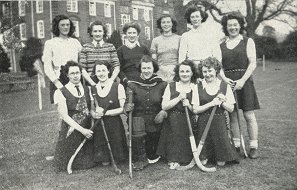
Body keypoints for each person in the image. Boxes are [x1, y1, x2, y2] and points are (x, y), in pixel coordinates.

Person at [219, 13, 260, 159]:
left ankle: (253, 147)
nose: (233, 27)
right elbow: (219, 67)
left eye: (235, 24)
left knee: (249, 115)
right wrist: (225, 79)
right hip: (229, 83)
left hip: (245, 82)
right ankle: (237, 147)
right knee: (233, 115)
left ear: (240, 25)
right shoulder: (221, 44)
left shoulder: (247, 41)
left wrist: (242, 80)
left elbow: (253, 63)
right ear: (226, 27)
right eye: (229, 25)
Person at [193, 57, 239, 166]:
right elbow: (195, 110)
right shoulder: (197, 86)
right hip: (203, 123)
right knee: (203, 161)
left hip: (219, 124)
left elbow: (231, 109)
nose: (207, 74)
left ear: (216, 71)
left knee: (221, 163)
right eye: (204, 71)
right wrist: (211, 103)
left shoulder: (224, 86)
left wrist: (222, 102)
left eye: (210, 71)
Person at [124, 55, 167, 170]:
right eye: (144, 68)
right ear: (140, 69)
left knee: (153, 153)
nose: (146, 71)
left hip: (155, 121)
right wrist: (126, 107)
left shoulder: (162, 84)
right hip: (138, 120)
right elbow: (125, 106)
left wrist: (163, 112)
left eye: (149, 68)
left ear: (154, 69)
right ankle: (140, 158)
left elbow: (167, 103)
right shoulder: (132, 84)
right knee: (137, 123)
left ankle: (154, 153)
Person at [53, 61, 95, 172]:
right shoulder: (60, 92)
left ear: (81, 74)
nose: (75, 76)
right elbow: (65, 116)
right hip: (71, 131)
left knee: (92, 161)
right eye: (72, 73)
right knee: (69, 162)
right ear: (67, 75)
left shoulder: (88, 89)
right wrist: (83, 130)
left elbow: (91, 111)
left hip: (87, 130)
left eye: (77, 72)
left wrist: (96, 114)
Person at [157, 60, 199, 170]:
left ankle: (187, 157)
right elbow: (164, 106)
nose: (184, 74)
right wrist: (178, 98)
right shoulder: (171, 86)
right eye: (182, 71)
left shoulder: (195, 87)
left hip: (188, 121)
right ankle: (173, 158)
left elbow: (195, 110)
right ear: (178, 73)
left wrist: (189, 105)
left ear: (192, 73)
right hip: (172, 121)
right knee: (173, 137)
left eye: (187, 71)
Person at [90, 61, 127, 165]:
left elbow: (122, 108)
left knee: (118, 159)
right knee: (104, 162)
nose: (101, 73)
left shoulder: (118, 86)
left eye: (103, 70)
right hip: (100, 126)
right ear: (95, 73)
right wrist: (95, 114)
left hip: (115, 125)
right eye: (98, 71)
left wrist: (105, 113)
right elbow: (91, 110)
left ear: (108, 71)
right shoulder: (93, 88)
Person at [42, 15, 83, 103]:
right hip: (59, 79)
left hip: (75, 78)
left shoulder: (75, 42)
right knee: (62, 110)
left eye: (68, 25)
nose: (66, 27)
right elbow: (47, 66)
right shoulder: (50, 43)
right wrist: (57, 83)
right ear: (57, 26)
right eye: (62, 25)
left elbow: (82, 61)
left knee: (78, 107)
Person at [117, 22, 150, 86]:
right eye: (129, 33)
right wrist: (125, 79)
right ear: (125, 34)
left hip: (143, 80)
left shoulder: (144, 48)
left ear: (138, 34)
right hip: (127, 82)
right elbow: (118, 69)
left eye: (134, 33)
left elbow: (150, 65)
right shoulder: (120, 50)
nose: (132, 35)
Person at [150, 14, 181, 82]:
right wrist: (162, 69)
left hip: (176, 71)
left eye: (168, 22)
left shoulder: (179, 39)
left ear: (172, 24)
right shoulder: (155, 40)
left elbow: (182, 57)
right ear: (160, 25)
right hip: (161, 72)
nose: (166, 24)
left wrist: (175, 69)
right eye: (163, 22)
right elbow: (154, 60)